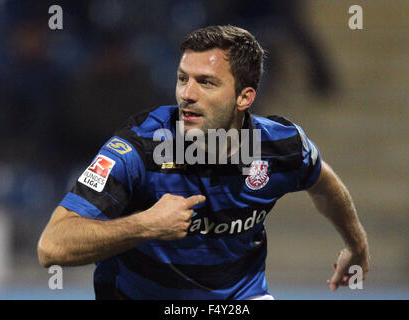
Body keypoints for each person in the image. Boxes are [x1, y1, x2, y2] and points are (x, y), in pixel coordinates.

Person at [37, 25, 369, 300]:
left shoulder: (281, 145)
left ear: (245, 97)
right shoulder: (136, 148)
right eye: (183, 79)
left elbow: (323, 183)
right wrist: (145, 226)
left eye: (205, 82)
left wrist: (356, 244)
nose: (187, 94)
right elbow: (51, 246)